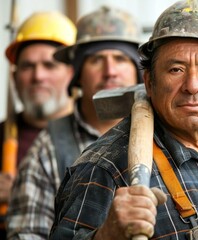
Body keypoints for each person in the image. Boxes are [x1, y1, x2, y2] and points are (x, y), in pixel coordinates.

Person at [49, 1, 198, 240]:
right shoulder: (107, 166)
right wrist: (107, 235)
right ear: (149, 82)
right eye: (176, 69)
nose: (192, 85)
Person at [6, 6, 143, 239]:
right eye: (97, 59)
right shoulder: (50, 146)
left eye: (120, 59)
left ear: (139, 72)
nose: (110, 71)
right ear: (77, 73)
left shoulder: (163, 136)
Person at [0, 11, 76, 239]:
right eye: (27, 66)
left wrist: (23, 194)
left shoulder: (98, 137)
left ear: (72, 74)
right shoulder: (2, 136)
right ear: (14, 77)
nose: (38, 76)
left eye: (49, 65)